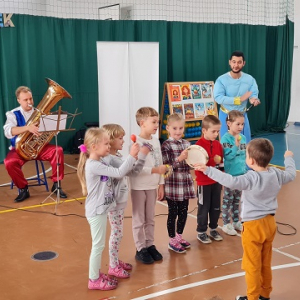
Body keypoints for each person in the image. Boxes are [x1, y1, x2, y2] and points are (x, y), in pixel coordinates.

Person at [194, 138, 296, 300]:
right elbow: (291, 174)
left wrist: (208, 170)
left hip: (253, 227)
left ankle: (252, 297)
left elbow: (231, 181)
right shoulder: (276, 174)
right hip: (270, 224)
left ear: (251, 160)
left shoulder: (250, 178)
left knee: (252, 266)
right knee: (265, 262)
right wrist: (289, 157)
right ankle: (265, 293)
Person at [77, 127, 140, 290]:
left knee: (100, 244)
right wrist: (132, 156)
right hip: (95, 212)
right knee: (98, 245)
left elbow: (122, 165)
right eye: (105, 144)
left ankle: (97, 274)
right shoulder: (93, 165)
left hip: (101, 210)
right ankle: (93, 279)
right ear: (93, 147)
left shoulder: (103, 160)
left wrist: (134, 159)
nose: (108, 146)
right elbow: (119, 172)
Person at [102, 123, 151, 278]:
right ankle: (113, 266)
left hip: (119, 201)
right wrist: (133, 156)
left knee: (119, 233)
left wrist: (141, 156)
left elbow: (133, 172)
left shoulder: (117, 157)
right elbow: (121, 171)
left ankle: (115, 261)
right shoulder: (109, 159)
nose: (123, 141)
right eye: (120, 138)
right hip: (113, 202)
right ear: (109, 140)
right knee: (116, 234)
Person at [3, 86, 67, 202]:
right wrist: (28, 128)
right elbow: (8, 132)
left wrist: (54, 127)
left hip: (40, 147)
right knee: (9, 162)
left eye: (30, 99)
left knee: (58, 150)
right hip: (20, 149)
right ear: (18, 100)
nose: (29, 102)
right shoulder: (13, 114)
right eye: (25, 100)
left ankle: (56, 185)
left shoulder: (41, 112)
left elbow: (52, 131)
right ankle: (23, 189)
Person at [129, 107, 167, 264]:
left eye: (157, 121)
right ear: (142, 123)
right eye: (154, 122)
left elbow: (159, 162)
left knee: (150, 218)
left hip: (152, 185)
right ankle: (140, 248)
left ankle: (150, 244)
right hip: (138, 186)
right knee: (139, 219)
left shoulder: (155, 140)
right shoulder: (135, 143)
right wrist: (155, 170)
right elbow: (135, 169)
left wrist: (161, 183)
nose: (156, 124)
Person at [161, 113, 196, 253]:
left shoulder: (187, 144)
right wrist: (180, 158)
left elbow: (190, 164)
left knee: (184, 211)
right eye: (174, 128)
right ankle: (172, 240)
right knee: (173, 212)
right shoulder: (166, 145)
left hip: (185, 183)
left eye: (181, 128)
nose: (178, 131)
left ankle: (179, 236)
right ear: (168, 128)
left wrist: (195, 163)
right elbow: (167, 166)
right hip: (173, 184)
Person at [214, 51, 260, 143]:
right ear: (229, 62)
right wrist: (238, 100)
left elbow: (253, 93)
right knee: (226, 144)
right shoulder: (221, 80)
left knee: (244, 143)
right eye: (234, 62)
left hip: (242, 116)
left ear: (243, 63)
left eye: (239, 62)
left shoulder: (249, 79)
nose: (236, 65)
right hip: (226, 116)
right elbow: (218, 98)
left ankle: (244, 157)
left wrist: (254, 99)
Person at [195, 115, 224, 244]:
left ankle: (213, 228)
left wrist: (222, 178)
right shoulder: (198, 146)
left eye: (218, 131)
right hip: (204, 183)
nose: (216, 134)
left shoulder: (218, 144)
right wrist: (213, 160)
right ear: (204, 130)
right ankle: (201, 232)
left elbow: (221, 163)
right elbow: (198, 166)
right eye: (213, 131)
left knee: (215, 207)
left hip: (216, 182)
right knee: (204, 207)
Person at [221, 110, 247, 236]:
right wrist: (235, 145)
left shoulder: (244, 138)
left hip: (241, 175)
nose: (241, 127)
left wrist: (245, 170)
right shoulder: (225, 139)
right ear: (229, 123)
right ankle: (226, 223)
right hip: (230, 176)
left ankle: (236, 221)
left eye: (242, 124)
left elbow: (243, 156)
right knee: (228, 200)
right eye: (238, 124)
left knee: (237, 200)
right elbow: (228, 156)